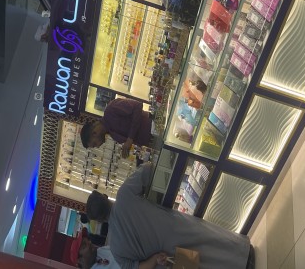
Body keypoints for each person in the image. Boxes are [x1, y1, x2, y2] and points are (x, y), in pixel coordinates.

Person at [85, 162, 252, 269]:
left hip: (171, 255)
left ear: (99, 220)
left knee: (203, 264)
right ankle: (244, 253)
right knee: (211, 239)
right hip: (177, 226)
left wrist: (154, 259)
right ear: (105, 196)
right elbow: (149, 168)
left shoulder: (115, 247)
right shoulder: (124, 194)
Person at [80, 98, 151, 158]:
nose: (98, 146)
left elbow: (138, 105)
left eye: (95, 144)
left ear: (94, 133)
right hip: (152, 144)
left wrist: (130, 139)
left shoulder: (111, 109)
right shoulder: (113, 135)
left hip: (154, 128)